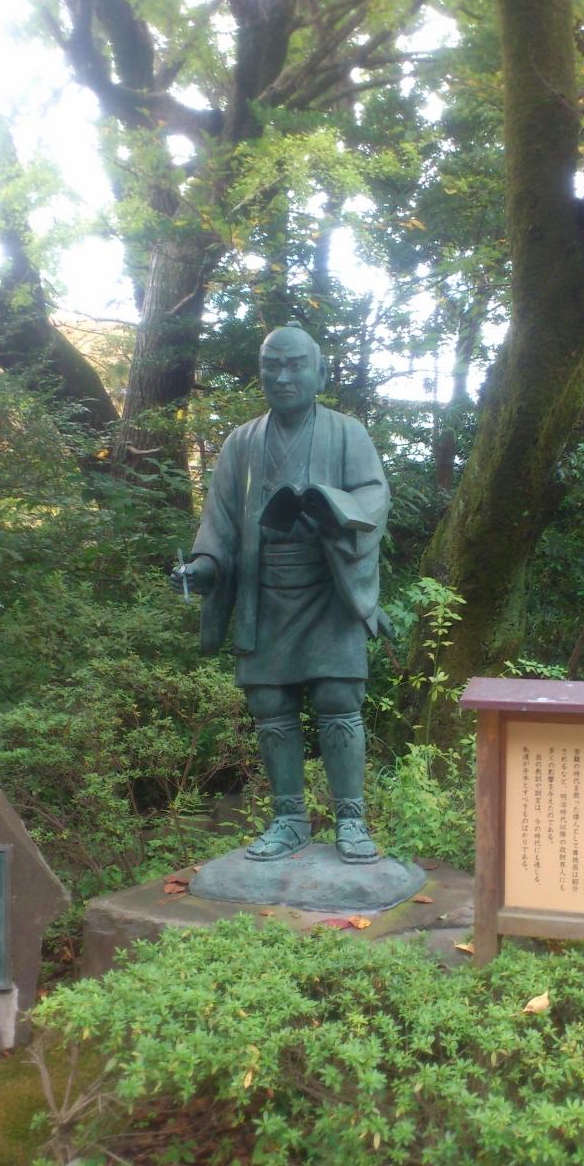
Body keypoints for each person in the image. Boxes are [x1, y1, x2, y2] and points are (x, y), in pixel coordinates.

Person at [171, 324, 390, 864]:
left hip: (329, 587)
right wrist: (202, 568)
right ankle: (290, 819)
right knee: (270, 704)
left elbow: (373, 494)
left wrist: (334, 509)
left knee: (338, 698)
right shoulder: (241, 442)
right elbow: (219, 523)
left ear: (320, 373)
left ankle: (351, 819)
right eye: (272, 366)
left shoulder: (347, 433)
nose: (283, 376)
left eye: (295, 365)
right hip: (263, 591)